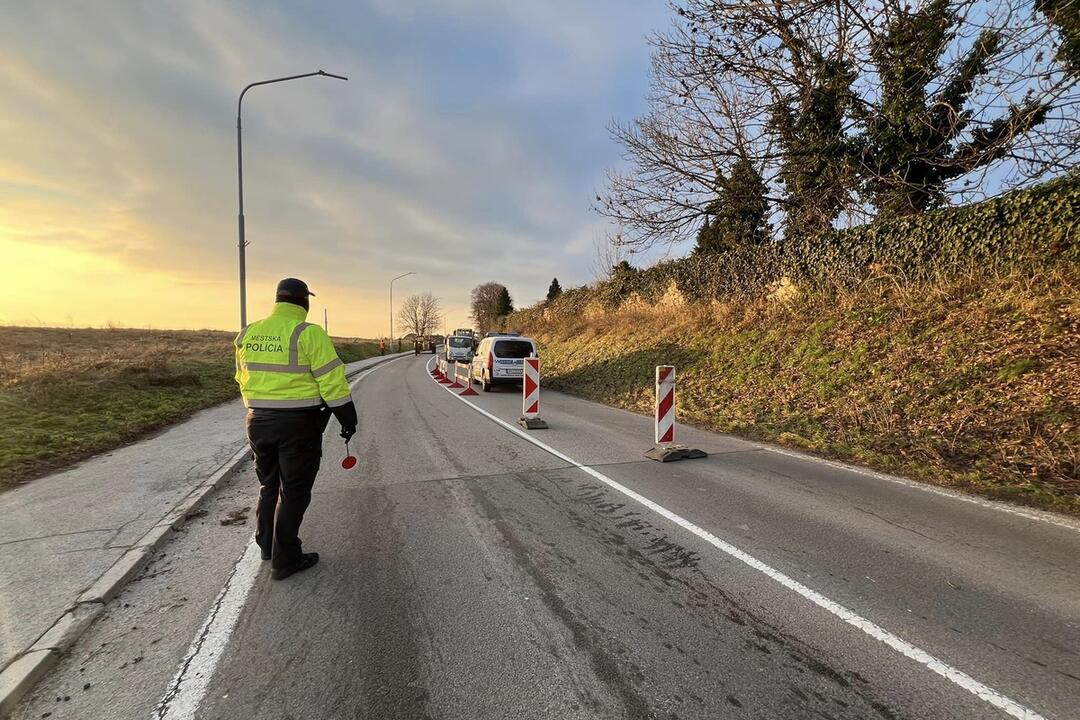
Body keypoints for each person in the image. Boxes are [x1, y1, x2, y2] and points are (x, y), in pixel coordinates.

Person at [234, 278, 357, 580]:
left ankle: (266, 544)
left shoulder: (248, 333)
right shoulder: (308, 333)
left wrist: (258, 411)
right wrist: (348, 420)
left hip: (257, 421)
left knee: (268, 485)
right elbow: (332, 382)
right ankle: (286, 557)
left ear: (278, 300)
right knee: (294, 492)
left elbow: (241, 378)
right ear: (304, 302)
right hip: (297, 425)